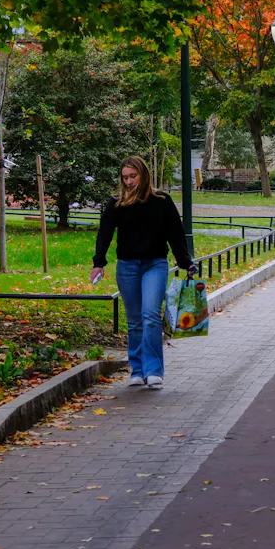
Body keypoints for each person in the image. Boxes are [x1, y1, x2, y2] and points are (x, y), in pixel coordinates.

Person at [90, 155, 193, 390]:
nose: (129, 181)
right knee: (135, 321)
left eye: (133, 176)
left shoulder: (162, 201)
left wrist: (186, 262)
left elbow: (175, 234)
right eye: (125, 177)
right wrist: (99, 263)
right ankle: (137, 371)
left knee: (150, 316)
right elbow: (104, 235)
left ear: (144, 175)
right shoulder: (116, 203)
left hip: (155, 264)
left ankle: (154, 370)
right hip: (126, 267)